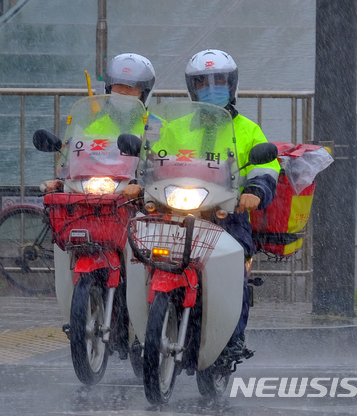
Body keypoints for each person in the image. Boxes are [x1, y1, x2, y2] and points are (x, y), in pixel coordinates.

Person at [123, 49, 280, 357]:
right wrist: (136, 183)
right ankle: (141, 330)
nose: (211, 88)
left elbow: (265, 167)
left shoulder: (248, 129)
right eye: (203, 82)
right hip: (177, 213)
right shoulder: (176, 127)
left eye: (219, 80)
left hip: (225, 217)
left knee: (237, 273)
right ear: (192, 88)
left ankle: (232, 339)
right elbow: (152, 159)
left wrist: (256, 191)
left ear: (231, 84)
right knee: (140, 256)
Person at [45, 53, 156, 192]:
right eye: (118, 85)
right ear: (109, 88)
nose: (123, 91)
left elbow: (164, 164)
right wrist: (63, 180)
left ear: (144, 93)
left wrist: (141, 185)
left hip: (140, 196)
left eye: (130, 87)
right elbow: (79, 158)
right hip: (99, 191)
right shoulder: (96, 126)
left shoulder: (156, 126)